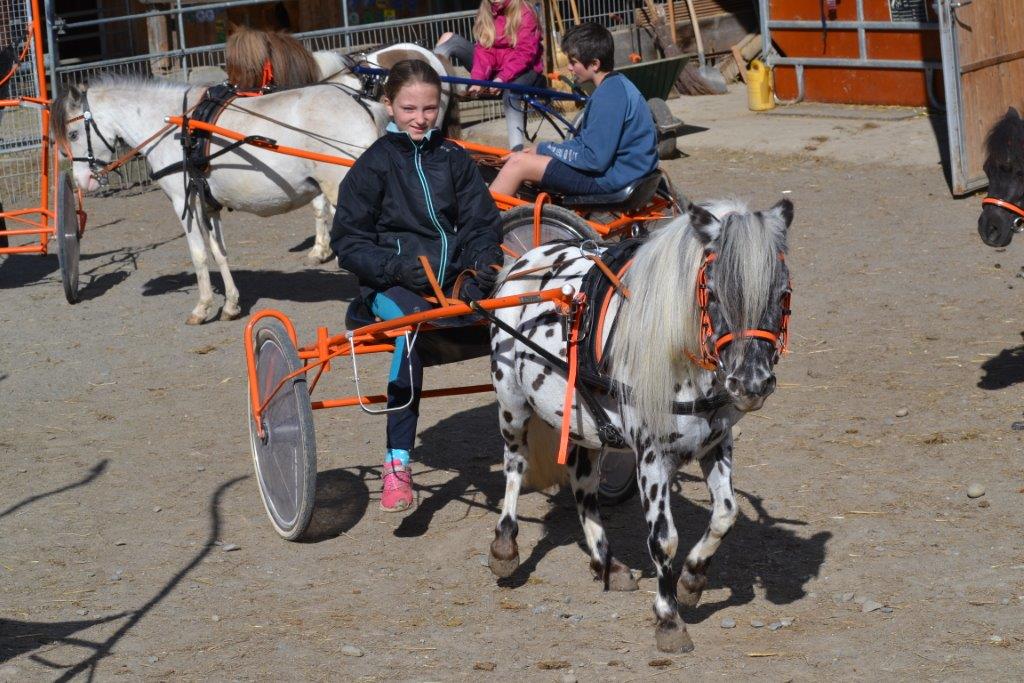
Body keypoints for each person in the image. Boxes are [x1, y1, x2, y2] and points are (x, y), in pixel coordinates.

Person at [330, 59, 504, 513]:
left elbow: (482, 223)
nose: (421, 118)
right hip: (389, 288)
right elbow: (347, 242)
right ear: (389, 105)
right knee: (411, 327)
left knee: (524, 312)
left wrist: (481, 268)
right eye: (409, 108)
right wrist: (395, 268)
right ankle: (397, 462)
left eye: (429, 108)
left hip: (454, 284)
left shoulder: (454, 158)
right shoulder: (373, 166)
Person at [488, 22, 658, 199]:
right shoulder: (616, 84)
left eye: (573, 62)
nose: (569, 67)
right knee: (529, 156)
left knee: (518, 163)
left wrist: (546, 149)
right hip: (625, 172)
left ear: (594, 64)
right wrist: (542, 149)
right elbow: (586, 143)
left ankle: (484, 217)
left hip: (613, 179)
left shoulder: (609, 96)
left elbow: (594, 159)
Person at [434, 0, 544, 151]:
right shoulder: (487, 10)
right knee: (448, 38)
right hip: (494, 70)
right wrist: (478, 80)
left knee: (511, 94)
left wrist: (502, 78)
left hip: (523, 68)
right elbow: (484, 51)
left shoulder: (525, 12)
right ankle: (433, 90)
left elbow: (525, 53)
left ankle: (516, 151)